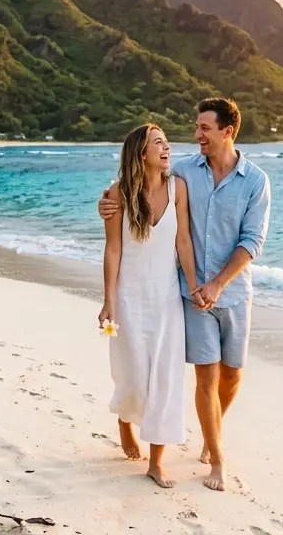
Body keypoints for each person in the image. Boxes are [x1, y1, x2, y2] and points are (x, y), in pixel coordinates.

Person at [99, 98, 271, 492]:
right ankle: (195, 445)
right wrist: (105, 202)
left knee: (208, 378)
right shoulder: (178, 174)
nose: (194, 136)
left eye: (204, 129)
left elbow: (235, 241)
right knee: (160, 377)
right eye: (194, 128)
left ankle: (184, 445)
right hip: (159, 297)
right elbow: (120, 230)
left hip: (208, 294)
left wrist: (208, 284)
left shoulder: (250, 181)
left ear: (227, 131)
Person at [99, 123, 201, 488]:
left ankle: (157, 461)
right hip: (129, 297)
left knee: (166, 380)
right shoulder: (119, 194)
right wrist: (108, 300)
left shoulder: (178, 189)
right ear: (141, 154)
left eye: (166, 142)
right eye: (158, 142)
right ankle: (126, 419)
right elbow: (113, 249)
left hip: (166, 298)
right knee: (133, 377)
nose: (166, 147)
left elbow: (184, 242)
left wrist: (193, 284)